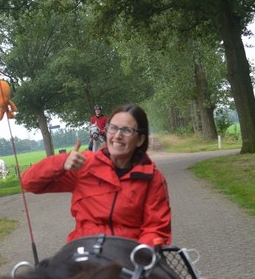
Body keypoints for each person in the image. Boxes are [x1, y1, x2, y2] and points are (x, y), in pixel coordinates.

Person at [21, 103, 171, 246]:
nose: (117, 135)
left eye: (126, 130)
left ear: (140, 139)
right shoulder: (84, 165)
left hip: (128, 258)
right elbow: (29, 183)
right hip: (84, 254)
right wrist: (61, 162)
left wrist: (138, 257)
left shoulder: (152, 178)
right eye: (113, 128)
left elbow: (156, 229)